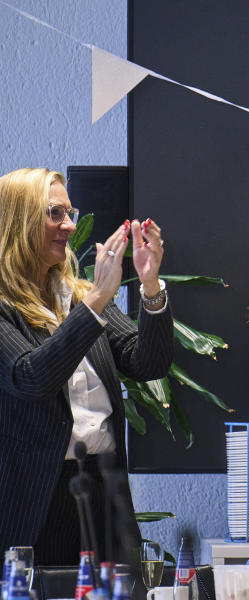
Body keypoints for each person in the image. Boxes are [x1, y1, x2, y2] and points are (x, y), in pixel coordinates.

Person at [0, 167, 173, 565]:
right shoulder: (15, 305)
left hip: (104, 485)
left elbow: (147, 362)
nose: (68, 226)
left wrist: (150, 285)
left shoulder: (76, 296)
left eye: (70, 214)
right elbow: (30, 377)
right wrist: (96, 299)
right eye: (54, 214)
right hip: (39, 497)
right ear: (18, 220)